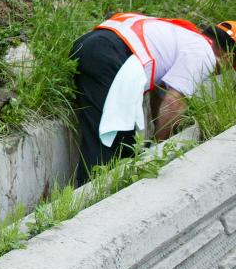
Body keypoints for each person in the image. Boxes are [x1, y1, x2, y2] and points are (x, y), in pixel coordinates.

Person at [71, 14, 236, 184]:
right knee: (109, 139)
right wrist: (157, 151)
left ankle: (101, 192)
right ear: (228, 54)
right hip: (108, 56)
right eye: (232, 64)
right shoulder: (205, 54)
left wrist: (158, 130)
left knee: (124, 143)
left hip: (91, 44)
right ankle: (90, 196)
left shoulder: (186, 38)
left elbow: (161, 94)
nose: (224, 70)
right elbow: (174, 103)